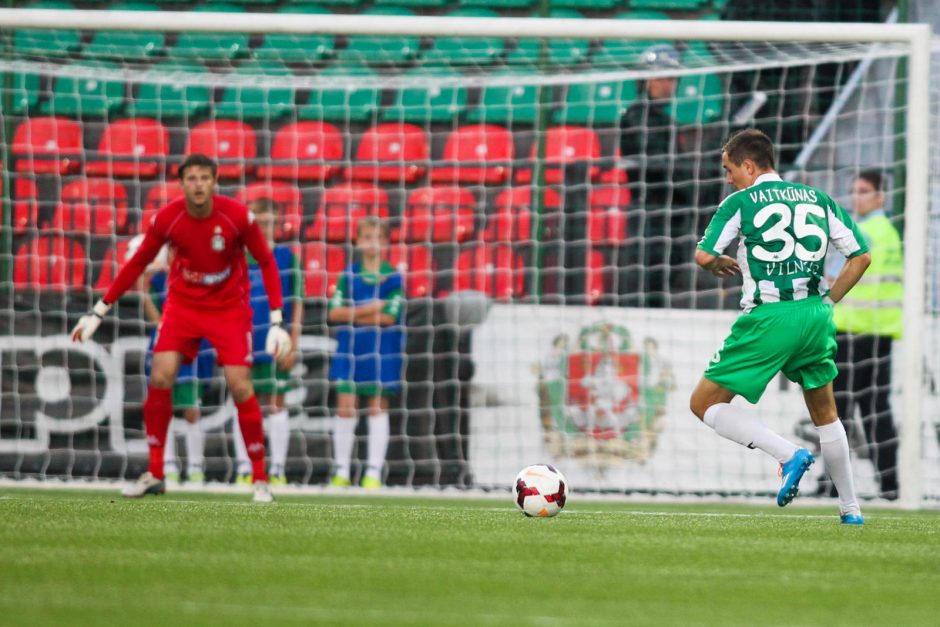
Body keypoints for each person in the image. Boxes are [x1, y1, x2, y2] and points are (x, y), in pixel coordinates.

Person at [71, 154, 291, 503]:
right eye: (192, 178)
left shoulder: (236, 217)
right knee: (161, 376)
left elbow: (265, 260)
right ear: (182, 182)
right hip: (183, 307)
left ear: (215, 181)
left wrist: (278, 320)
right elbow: (139, 261)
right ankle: (156, 473)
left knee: (240, 385)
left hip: (228, 309)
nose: (199, 184)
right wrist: (98, 312)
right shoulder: (168, 218)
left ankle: (260, 478)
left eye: (205, 177)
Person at [689, 128, 872, 525]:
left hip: (769, 317)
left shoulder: (740, 201)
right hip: (815, 315)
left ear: (749, 165)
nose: (727, 177)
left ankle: (789, 454)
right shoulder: (818, 198)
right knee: (826, 413)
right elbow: (861, 256)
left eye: (729, 168)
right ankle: (851, 510)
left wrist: (717, 263)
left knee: (703, 404)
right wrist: (830, 300)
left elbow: (703, 255)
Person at [819, 170, 902, 500]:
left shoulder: (860, 232)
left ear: (880, 197)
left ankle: (832, 485)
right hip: (880, 330)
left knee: (835, 410)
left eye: (864, 191)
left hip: (851, 329)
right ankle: (892, 486)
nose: (857, 197)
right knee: (875, 409)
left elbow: (831, 276)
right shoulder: (890, 232)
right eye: (855, 191)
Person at [327, 217, 404, 489]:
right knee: (346, 408)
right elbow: (334, 313)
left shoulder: (393, 276)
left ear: (385, 242)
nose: (372, 243)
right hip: (350, 349)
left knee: (376, 409)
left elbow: (389, 318)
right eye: (367, 237)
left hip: (382, 351)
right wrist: (373, 307)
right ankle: (341, 472)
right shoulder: (348, 275)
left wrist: (355, 314)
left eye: (377, 237)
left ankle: (372, 473)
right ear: (357, 241)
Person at [233, 198, 304, 487]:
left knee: (276, 404)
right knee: (243, 403)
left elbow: (297, 304)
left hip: (276, 342)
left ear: (278, 224)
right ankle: (243, 468)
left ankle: (276, 469)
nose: (264, 227)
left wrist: (294, 343)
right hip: (242, 341)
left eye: (269, 222)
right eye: (259, 222)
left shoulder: (287, 258)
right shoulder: (237, 256)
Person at [618, 44, 694, 308]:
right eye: (661, 77)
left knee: (665, 280)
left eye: (671, 78)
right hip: (649, 211)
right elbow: (652, 164)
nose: (667, 85)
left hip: (670, 214)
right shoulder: (636, 117)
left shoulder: (666, 121)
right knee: (646, 280)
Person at [137, 250, 210, 485]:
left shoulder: (196, 278)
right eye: (170, 251)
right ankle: (167, 465)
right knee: (162, 406)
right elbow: (154, 318)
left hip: (189, 345)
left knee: (191, 410)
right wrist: (142, 282)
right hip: (162, 345)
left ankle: (195, 467)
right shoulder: (158, 280)